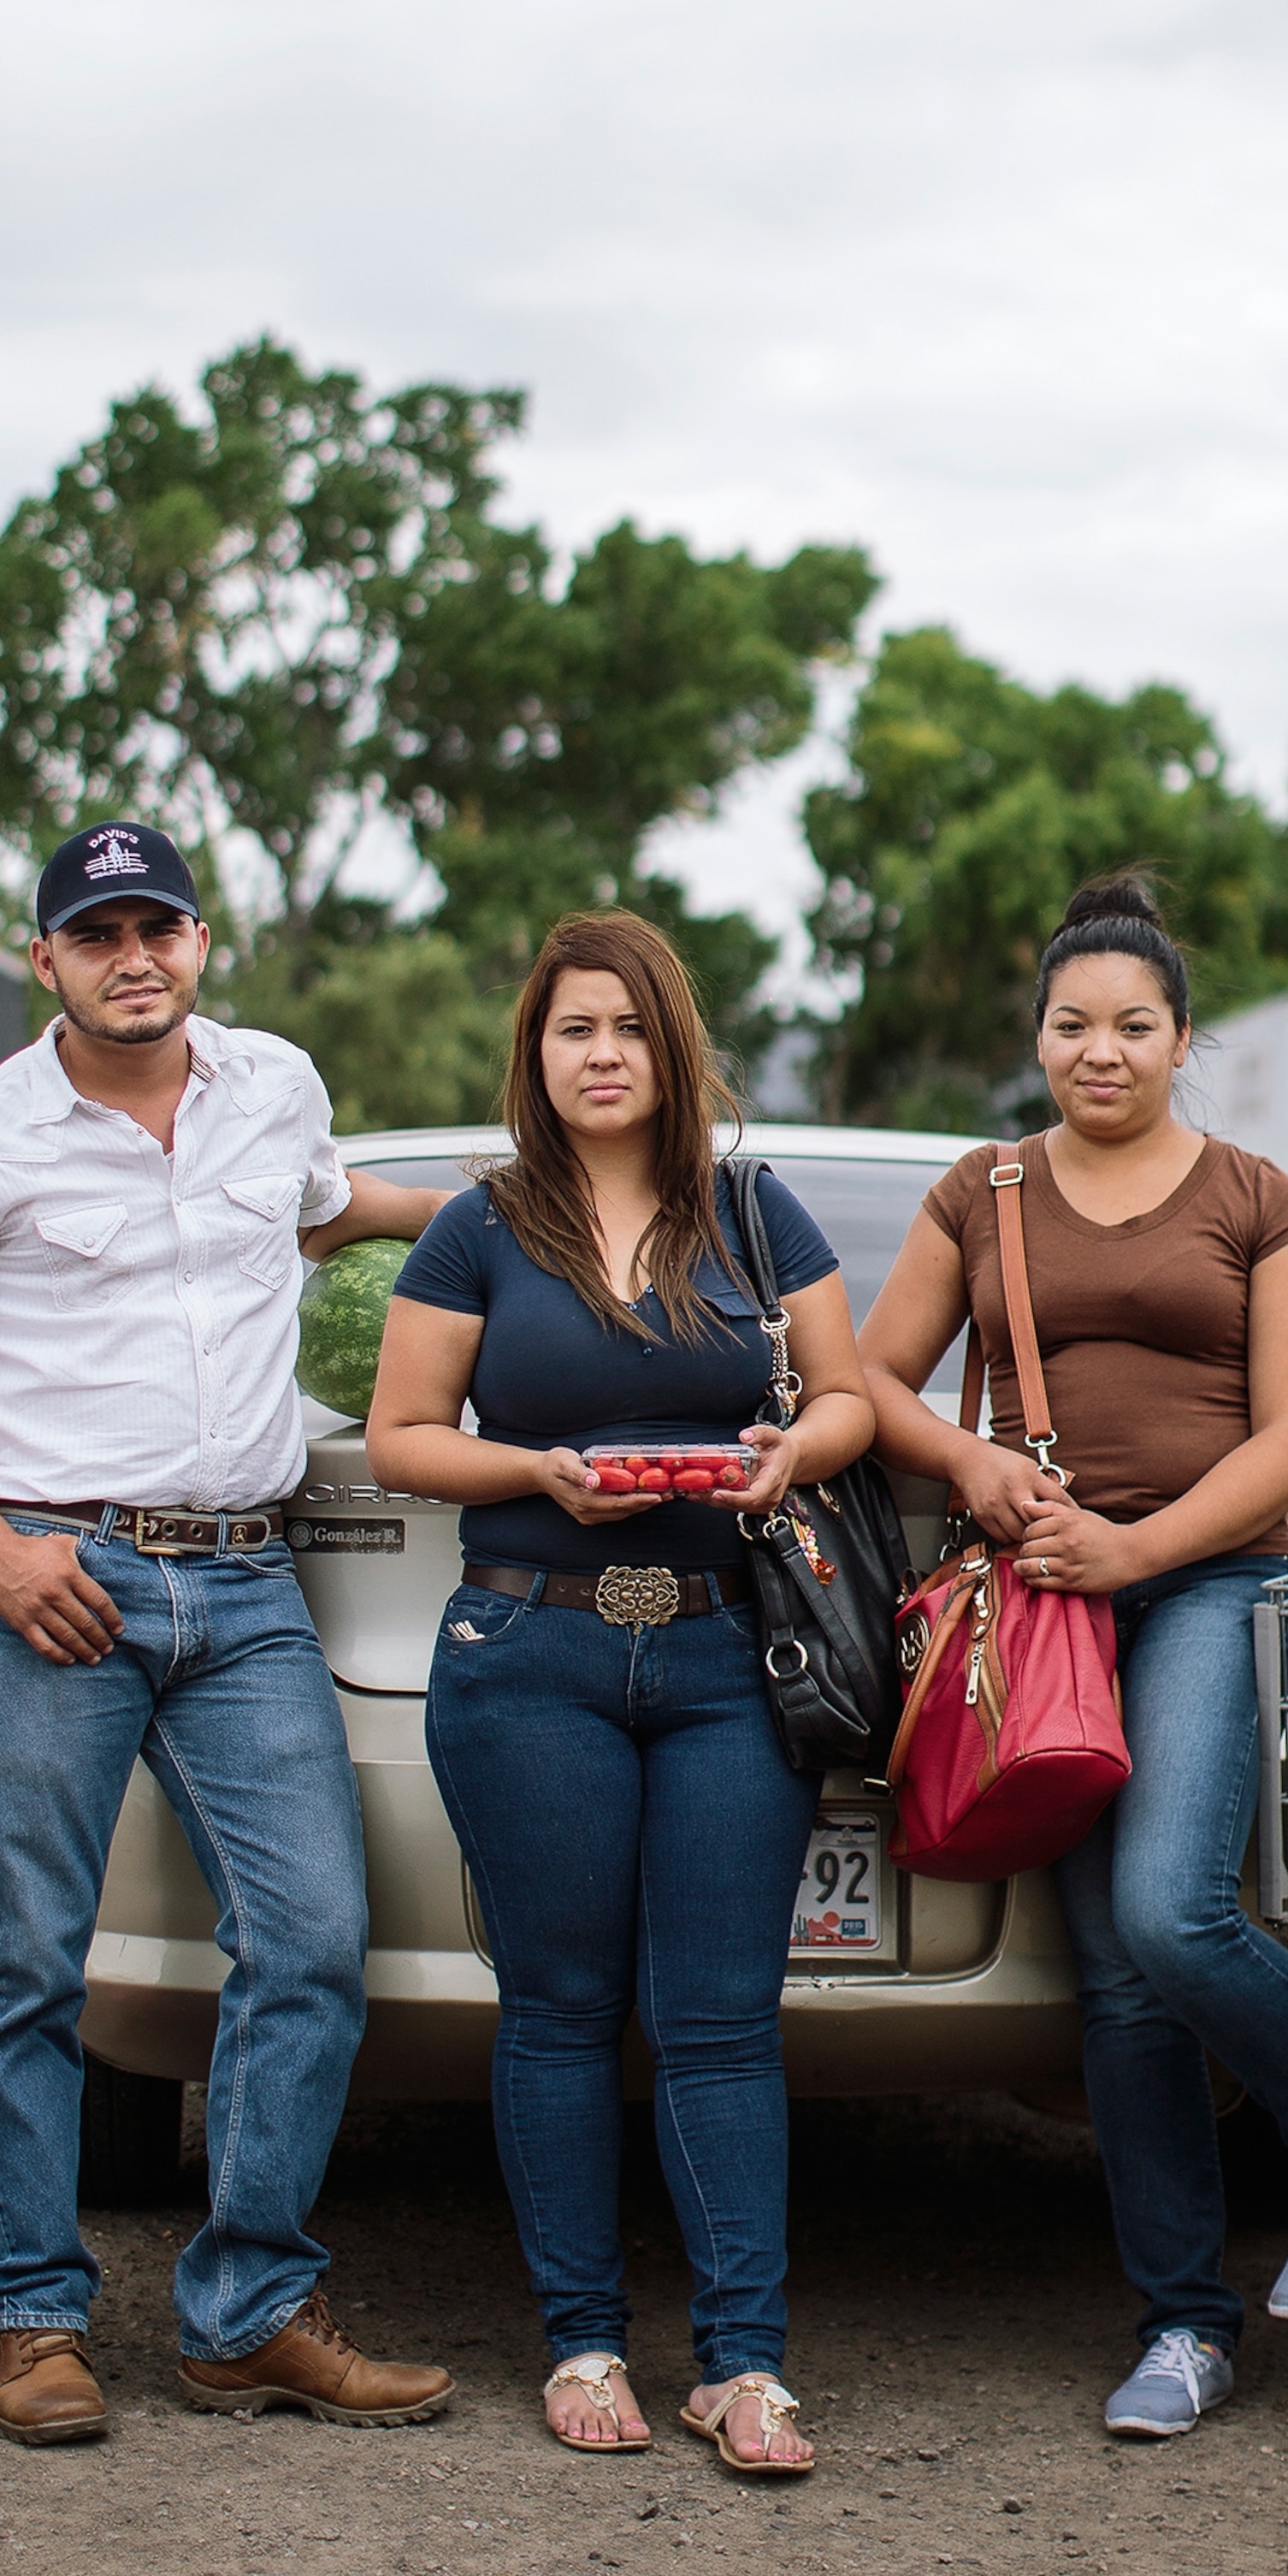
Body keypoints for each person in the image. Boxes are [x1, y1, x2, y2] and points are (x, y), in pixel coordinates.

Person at [0, 819, 457, 2447]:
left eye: (160, 926)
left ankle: (247, 2312)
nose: (136, 955)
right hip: (61, 1582)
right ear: (47, 959)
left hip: (250, 1588)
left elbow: (327, 1216)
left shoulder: (277, 1088)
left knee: (313, 1944)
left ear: (201, 942)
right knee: (30, 1958)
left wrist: (508, 1202)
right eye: (98, 931)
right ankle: (35, 2315)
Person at [857, 875, 1288, 2442]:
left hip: (1202, 1588)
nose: (1098, 1052)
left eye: (1133, 1026)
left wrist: (1141, 1548)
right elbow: (875, 1379)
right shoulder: (986, 1193)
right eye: (1070, 1025)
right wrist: (973, 1472)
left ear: (1180, 1041)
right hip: (1039, 1610)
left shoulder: (1259, 1199)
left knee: (1174, 1914)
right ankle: (1185, 2323)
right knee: (1114, 1984)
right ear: (1037, 1035)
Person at [365, 910, 874, 2475]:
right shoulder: (481, 1227)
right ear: (536, 1050)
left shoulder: (750, 1209)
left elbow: (849, 1392)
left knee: (722, 2022)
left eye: (629, 1029)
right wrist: (532, 1468)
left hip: (732, 1651)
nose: (601, 1055)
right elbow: (402, 1436)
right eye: (572, 1029)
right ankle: (582, 2343)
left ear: (673, 1051)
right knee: (565, 2014)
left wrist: (798, 1449)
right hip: (530, 1653)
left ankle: (742, 2365)